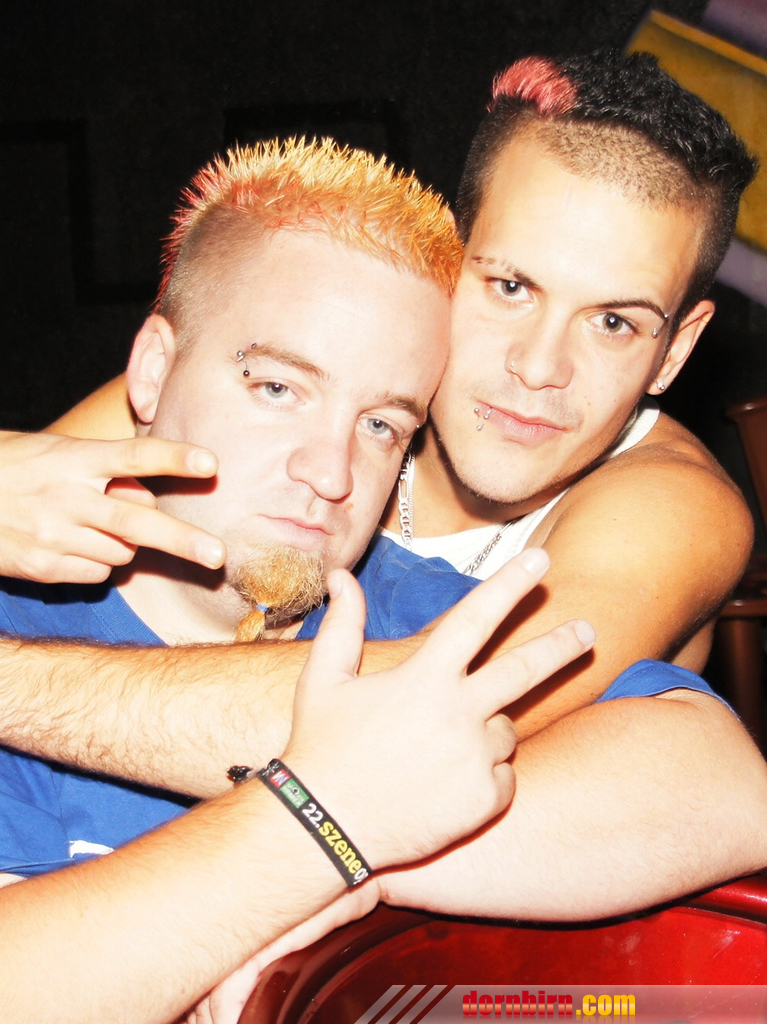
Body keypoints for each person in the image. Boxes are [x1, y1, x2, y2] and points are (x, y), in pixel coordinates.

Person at [0, 47, 764, 956]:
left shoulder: (666, 506)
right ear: (445, 267)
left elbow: (408, 724)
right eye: (509, 286)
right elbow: (82, 462)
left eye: (613, 322)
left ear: (674, 350)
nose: (538, 368)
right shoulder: (302, 379)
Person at [0, 136, 603, 1023]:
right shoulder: (21, 620)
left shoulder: (411, 610)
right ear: (155, 370)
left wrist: (355, 862)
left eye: (381, 426)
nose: (330, 473)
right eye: (278, 389)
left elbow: (716, 785)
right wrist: (323, 827)